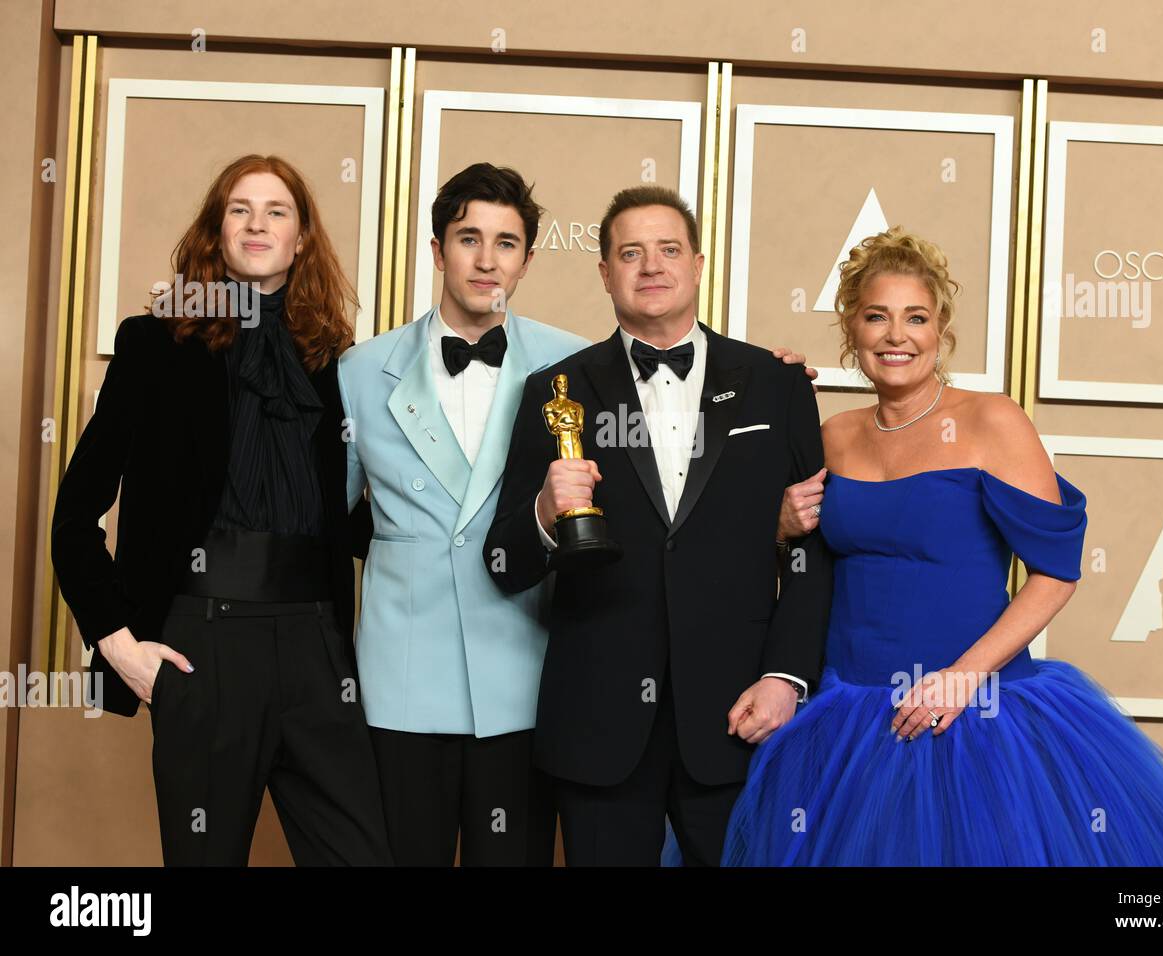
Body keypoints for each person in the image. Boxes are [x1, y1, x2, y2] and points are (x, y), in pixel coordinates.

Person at [722, 225, 1163, 866]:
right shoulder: (832, 434)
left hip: (973, 712)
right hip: (847, 713)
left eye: (916, 318)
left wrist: (963, 678)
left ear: (940, 329)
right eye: (877, 317)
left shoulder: (992, 422)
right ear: (851, 330)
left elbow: (1056, 572)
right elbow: (791, 563)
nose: (897, 336)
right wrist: (780, 517)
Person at [51, 154, 392, 866]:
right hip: (199, 644)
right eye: (240, 209)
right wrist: (118, 645)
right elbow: (74, 517)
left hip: (318, 644)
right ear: (217, 231)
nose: (258, 223)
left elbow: (363, 522)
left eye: (277, 211)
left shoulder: (337, 363)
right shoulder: (153, 345)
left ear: (302, 239)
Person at [485, 185, 834, 866]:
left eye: (668, 249)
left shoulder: (776, 383)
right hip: (598, 722)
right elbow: (503, 564)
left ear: (698, 264)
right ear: (605, 272)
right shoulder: (555, 391)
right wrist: (543, 515)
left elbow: (812, 547)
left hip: (740, 714)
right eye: (630, 252)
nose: (651, 266)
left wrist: (786, 676)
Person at [338, 163, 587, 865]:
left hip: (525, 679)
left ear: (529, 259)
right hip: (400, 682)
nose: (486, 260)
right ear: (437, 248)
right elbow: (325, 522)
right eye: (468, 238)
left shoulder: (574, 365)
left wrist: (768, 376)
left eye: (506, 243)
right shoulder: (361, 370)